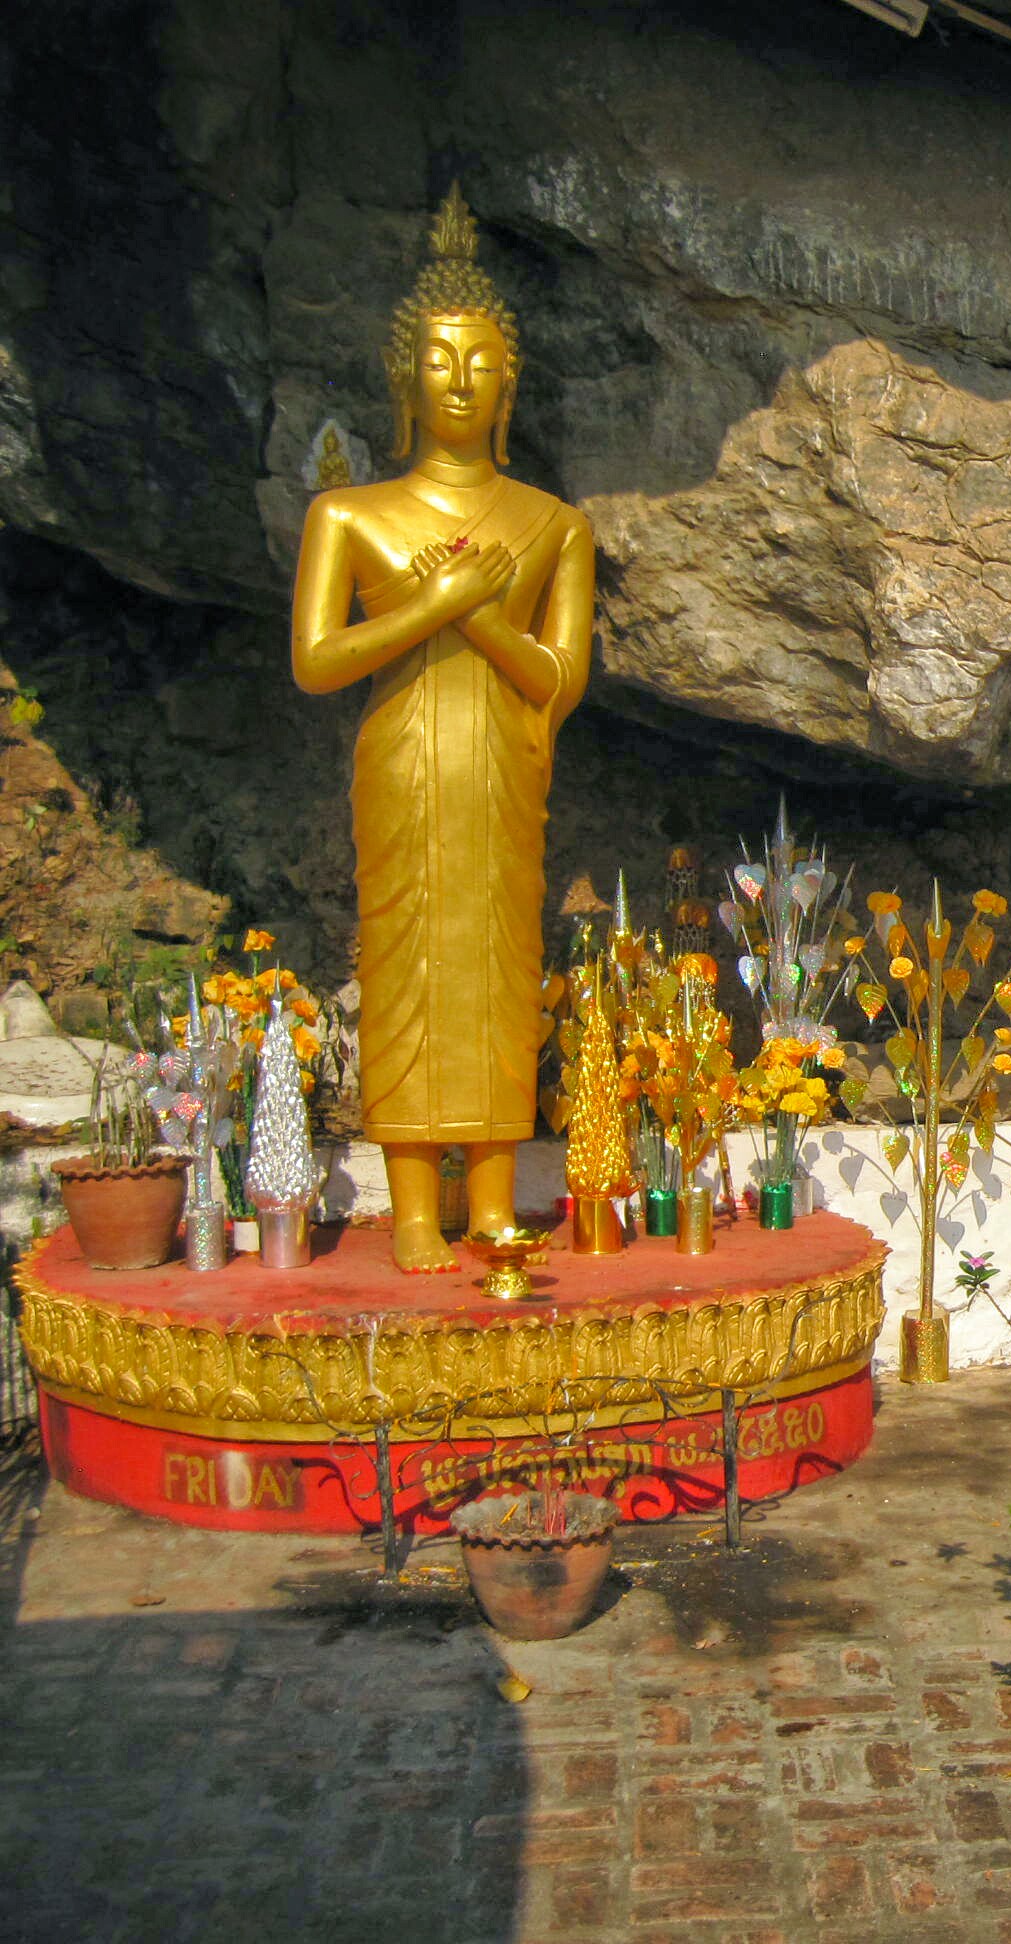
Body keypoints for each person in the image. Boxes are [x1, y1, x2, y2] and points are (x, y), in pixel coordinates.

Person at [290, 188, 594, 1270]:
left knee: (502, 962)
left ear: (510, 384)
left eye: (481, 363)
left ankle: (495, 1197)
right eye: (438, 360)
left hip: (502, 765)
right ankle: (416, 1207)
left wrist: (480, 613)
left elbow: (559, 678)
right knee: (409, 958)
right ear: (402, 378)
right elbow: (317, 661)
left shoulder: (554, 523)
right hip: (405, 761)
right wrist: (431, 606)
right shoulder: (348, 514)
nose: (459, 380)